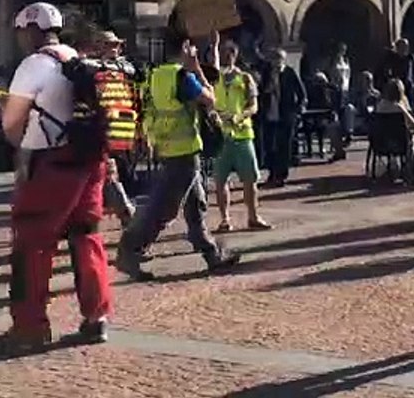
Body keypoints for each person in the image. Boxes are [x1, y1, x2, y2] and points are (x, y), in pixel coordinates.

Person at [0, 2, 112, 352]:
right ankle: (96, 318)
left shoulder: (34, 64)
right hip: (91, 161)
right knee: (86, 237)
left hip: (52, 162)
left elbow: (12, 124)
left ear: (30, 30)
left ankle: (29, 328)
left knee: (32, 244)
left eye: (20, 32)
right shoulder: (78, 59)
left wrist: (21, 151)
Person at [117, 30, 240, 281]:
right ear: (186, 47)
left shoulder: (154, 75)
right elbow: (210, 99)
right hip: (183, 150)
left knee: (196, 205)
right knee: (165, 208)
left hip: (166, 146)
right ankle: (130, 251)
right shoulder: (181, 75)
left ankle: (211, 253)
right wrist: (196, 67)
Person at [80, 30, 139, 229]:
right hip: (105, 130)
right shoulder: (91, 69)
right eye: (109, 45)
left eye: (116, 45)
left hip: (126, 131)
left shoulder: (125, 68)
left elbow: (132, 73)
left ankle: (129, 219)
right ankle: (129, 219)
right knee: (110, 175)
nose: (114, 49)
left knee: (119, 176)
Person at [214, 40, 272, 232]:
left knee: (250, 179)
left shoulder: (245, 78)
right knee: (220, 180)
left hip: (242, 133)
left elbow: (254, 106)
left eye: (230, 53)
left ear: (235, 55)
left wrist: (240, 116)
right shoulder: (214, 78)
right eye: (223, 53)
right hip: (221, 135)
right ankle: (224, 219)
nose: (227, 56)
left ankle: (253, 216)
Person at [258, 49, 305, 188]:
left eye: (279, 59)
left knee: (284, 146)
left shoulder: (289, 73)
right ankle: (272, 174)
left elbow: (301, 92)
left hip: (286, 114)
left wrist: (297, 109)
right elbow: (261, 90)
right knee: (270, 146)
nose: (276, 62)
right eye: (274, 59)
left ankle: (282, 175)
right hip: (271, 114)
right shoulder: (267, 74)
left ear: (283, 60)